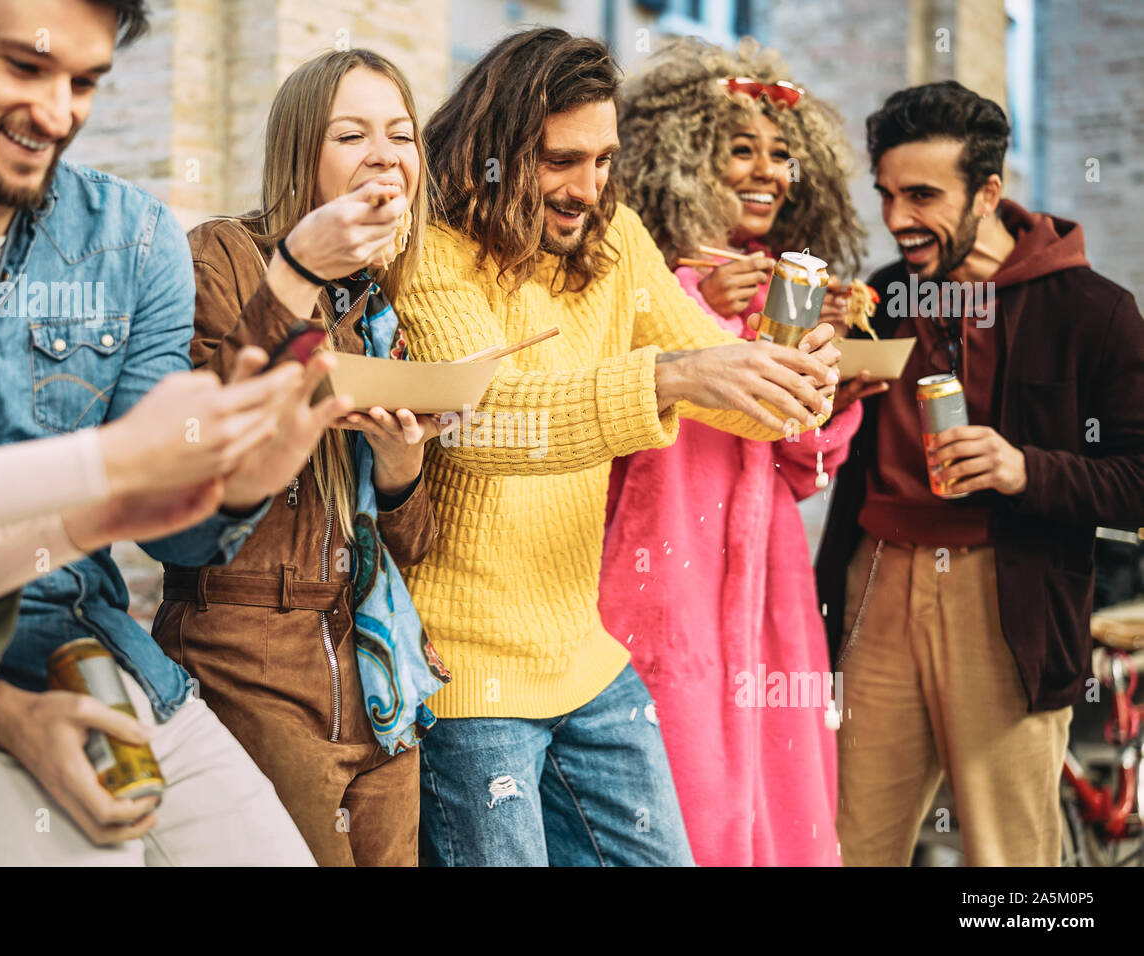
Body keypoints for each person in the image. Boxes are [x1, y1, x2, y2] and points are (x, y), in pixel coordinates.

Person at [0, 0, 337, 866]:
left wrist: (241, 480)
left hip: (96, 647)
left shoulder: (135, 238)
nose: (60, 112)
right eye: (26, 70)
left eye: (85, 82)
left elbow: (169, 533)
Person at [392, 27, 841, 866]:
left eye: (603, 161)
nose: (587, 188)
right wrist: (669, 377)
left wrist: (797, 379)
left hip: (588, 658)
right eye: (561, 160)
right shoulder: (433, 255)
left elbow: (721, 383)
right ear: (493, 150)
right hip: (466, 677)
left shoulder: (615, 237)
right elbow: (486, 420)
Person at [815, 80, 1144, 866]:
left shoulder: (1093, 311)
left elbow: (1135, 476)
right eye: (888, 194)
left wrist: (1023, 468)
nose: (897, 220)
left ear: (989, 191)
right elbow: (820, 445)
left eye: (922, 195)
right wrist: (825, 388)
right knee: (843, 845)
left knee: (1006, 863)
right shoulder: (882, 296)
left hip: (1010, 601)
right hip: (875, 585)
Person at [154, 49, 450, 867]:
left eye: (402, 134)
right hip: (246, 646)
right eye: (352, 134)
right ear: (298, 155)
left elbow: (411, 548)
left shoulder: (384, 309)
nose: (386, 154)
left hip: (375, 668)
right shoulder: (225, 254)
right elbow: (195, 436)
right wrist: (294, 283)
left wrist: (400, 465)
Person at [599, 37, 873, 866]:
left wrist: (835, 397)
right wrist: (696, 303)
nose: (766, 172)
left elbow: (797, 471)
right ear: (680, 160)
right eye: (739, 151)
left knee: (777, 783)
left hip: (766, 583)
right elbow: (603, 401)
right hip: (660, 566)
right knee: (677, 784)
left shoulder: (784, 286)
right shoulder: (630, 274)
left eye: (781, 156)